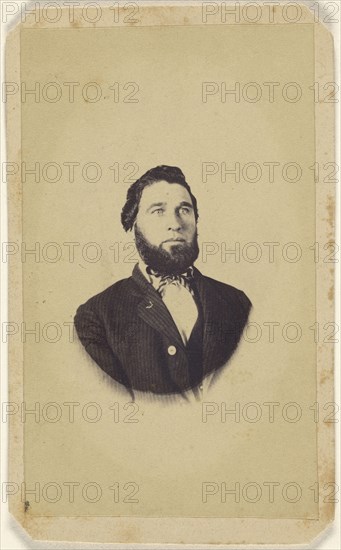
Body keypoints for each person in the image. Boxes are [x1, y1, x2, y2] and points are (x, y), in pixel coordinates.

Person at [74, 165, 251, 398]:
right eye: (158, 211)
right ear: (132, 225)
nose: (175, 223)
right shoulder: (97, 316)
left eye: (184, 210)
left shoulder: (236, 302)